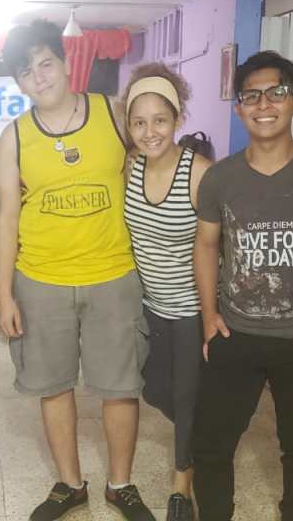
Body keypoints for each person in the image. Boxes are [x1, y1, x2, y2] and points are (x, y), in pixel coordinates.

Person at [0, 19, 154, 521]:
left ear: (66, 63)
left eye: (46, 64)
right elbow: (6, 218)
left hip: (114, 275)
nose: (39, 77)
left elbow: (158, 153)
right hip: (41, 280)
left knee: (120, 387)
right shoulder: (14, 138)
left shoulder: (115, 113)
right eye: (26, 72)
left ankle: (121, 484)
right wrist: (4, 295)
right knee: (53, 385)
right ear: (18, 83)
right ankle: (70, 484)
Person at [192, 51, 293, 521]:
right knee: (211, 445)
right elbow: (206, 246)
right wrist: (209, 316)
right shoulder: (220, 177)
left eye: (277, 93)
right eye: (251, 95)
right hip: (235, 331)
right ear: (239, 107)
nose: (264, 104)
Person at [121, 63, 211, 521]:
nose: (149, 131)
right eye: (139, 122)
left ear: (178, 119)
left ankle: (181, 487)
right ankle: (206, 435)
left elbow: (221, 246)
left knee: (186, 399)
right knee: (156, 391)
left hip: (192, 310)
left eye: (160, 120)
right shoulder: (129, 167)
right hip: (149, 307)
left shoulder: (200, 173)